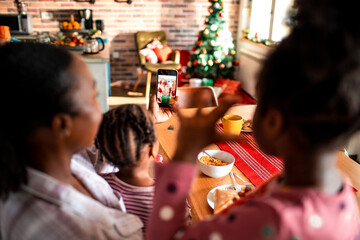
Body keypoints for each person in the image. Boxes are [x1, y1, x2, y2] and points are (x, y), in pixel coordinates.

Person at [147, 0, 360, 239]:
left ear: (273, 122)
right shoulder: (343, 195)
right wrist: (258, 198)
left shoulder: (272, 220)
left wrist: (184, 154)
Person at [0, 42, 147, 239]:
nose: (100, 113)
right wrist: (183, 158)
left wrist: (147, 121)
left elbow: (98, 154)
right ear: (62, 125)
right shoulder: (93, 231)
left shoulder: (51, 155)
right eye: (94, 97)